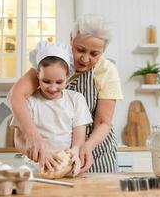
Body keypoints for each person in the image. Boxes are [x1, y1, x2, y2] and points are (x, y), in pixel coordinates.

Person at [8, 14, 123, 173]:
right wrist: (34, 138)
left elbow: (104, 121)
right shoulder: (51, 62)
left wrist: (85, 147)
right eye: (80, 49)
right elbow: (17, 95)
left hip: (96, 152)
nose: (85, 58)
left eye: (94, 54)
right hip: (52, 158)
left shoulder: (107, 71)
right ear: (71, 39)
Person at [10, 41, 93, 175]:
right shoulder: (28, 102)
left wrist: (75, 151)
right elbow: (18, 140)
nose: (53, 88)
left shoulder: (76, 100)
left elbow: (79, 137)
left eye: (59, 82)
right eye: (46, 81)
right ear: (38, 75)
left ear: (67, 76)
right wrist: (37, 153)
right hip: (36, 171)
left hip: (67, 169)